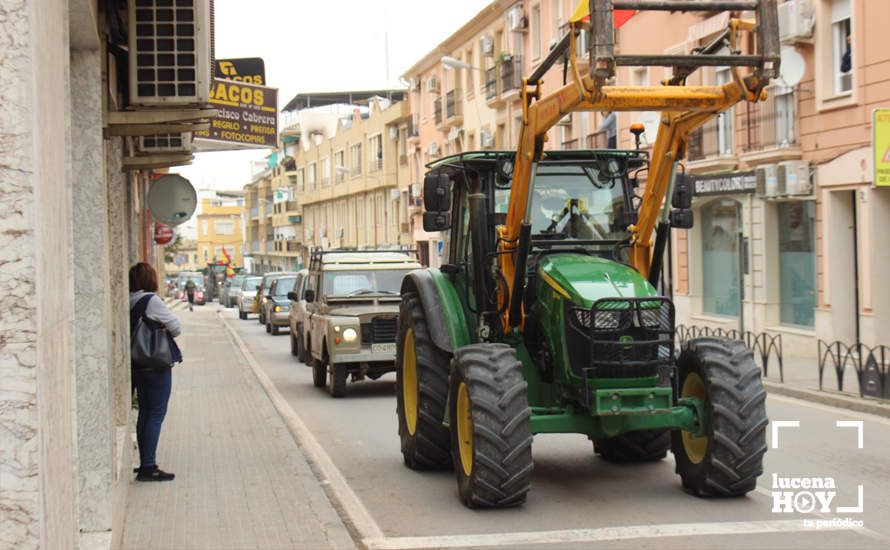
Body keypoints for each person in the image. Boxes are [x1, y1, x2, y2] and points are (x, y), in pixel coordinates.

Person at [129, 262, 182, 482]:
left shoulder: (129, 299)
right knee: (156, 414)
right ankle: (148, 466)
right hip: (155, 364)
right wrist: (163, 327)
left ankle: (145, 462)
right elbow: (176, 327)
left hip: (136, 363)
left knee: (145, 413)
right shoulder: (151, 300)